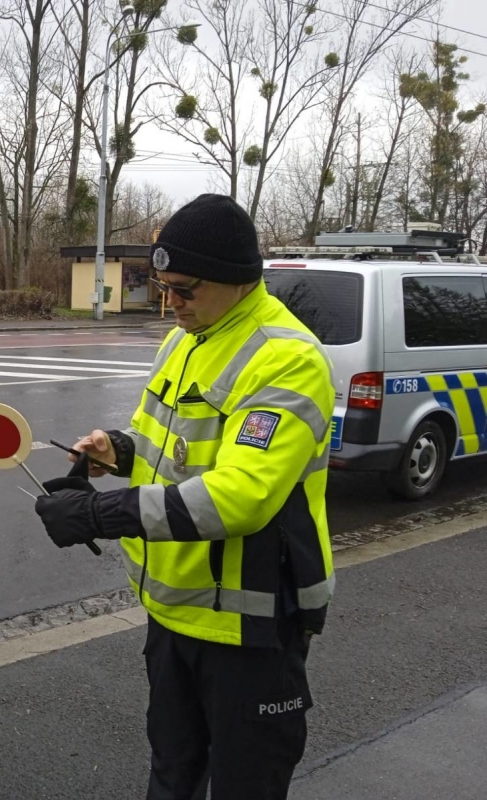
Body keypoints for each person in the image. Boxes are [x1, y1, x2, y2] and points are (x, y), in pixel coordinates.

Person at [34, 194, 337, 800]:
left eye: (184, 289)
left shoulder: (287, 360)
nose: (169, 301)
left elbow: (238, 497)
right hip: (174, 613)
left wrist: (99, 515)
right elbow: (163, 445)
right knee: (170, 775)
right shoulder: (185, 338)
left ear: (237, 280)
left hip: (248, 627)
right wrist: (114, 451)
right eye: (160, 284)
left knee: (243, 786)